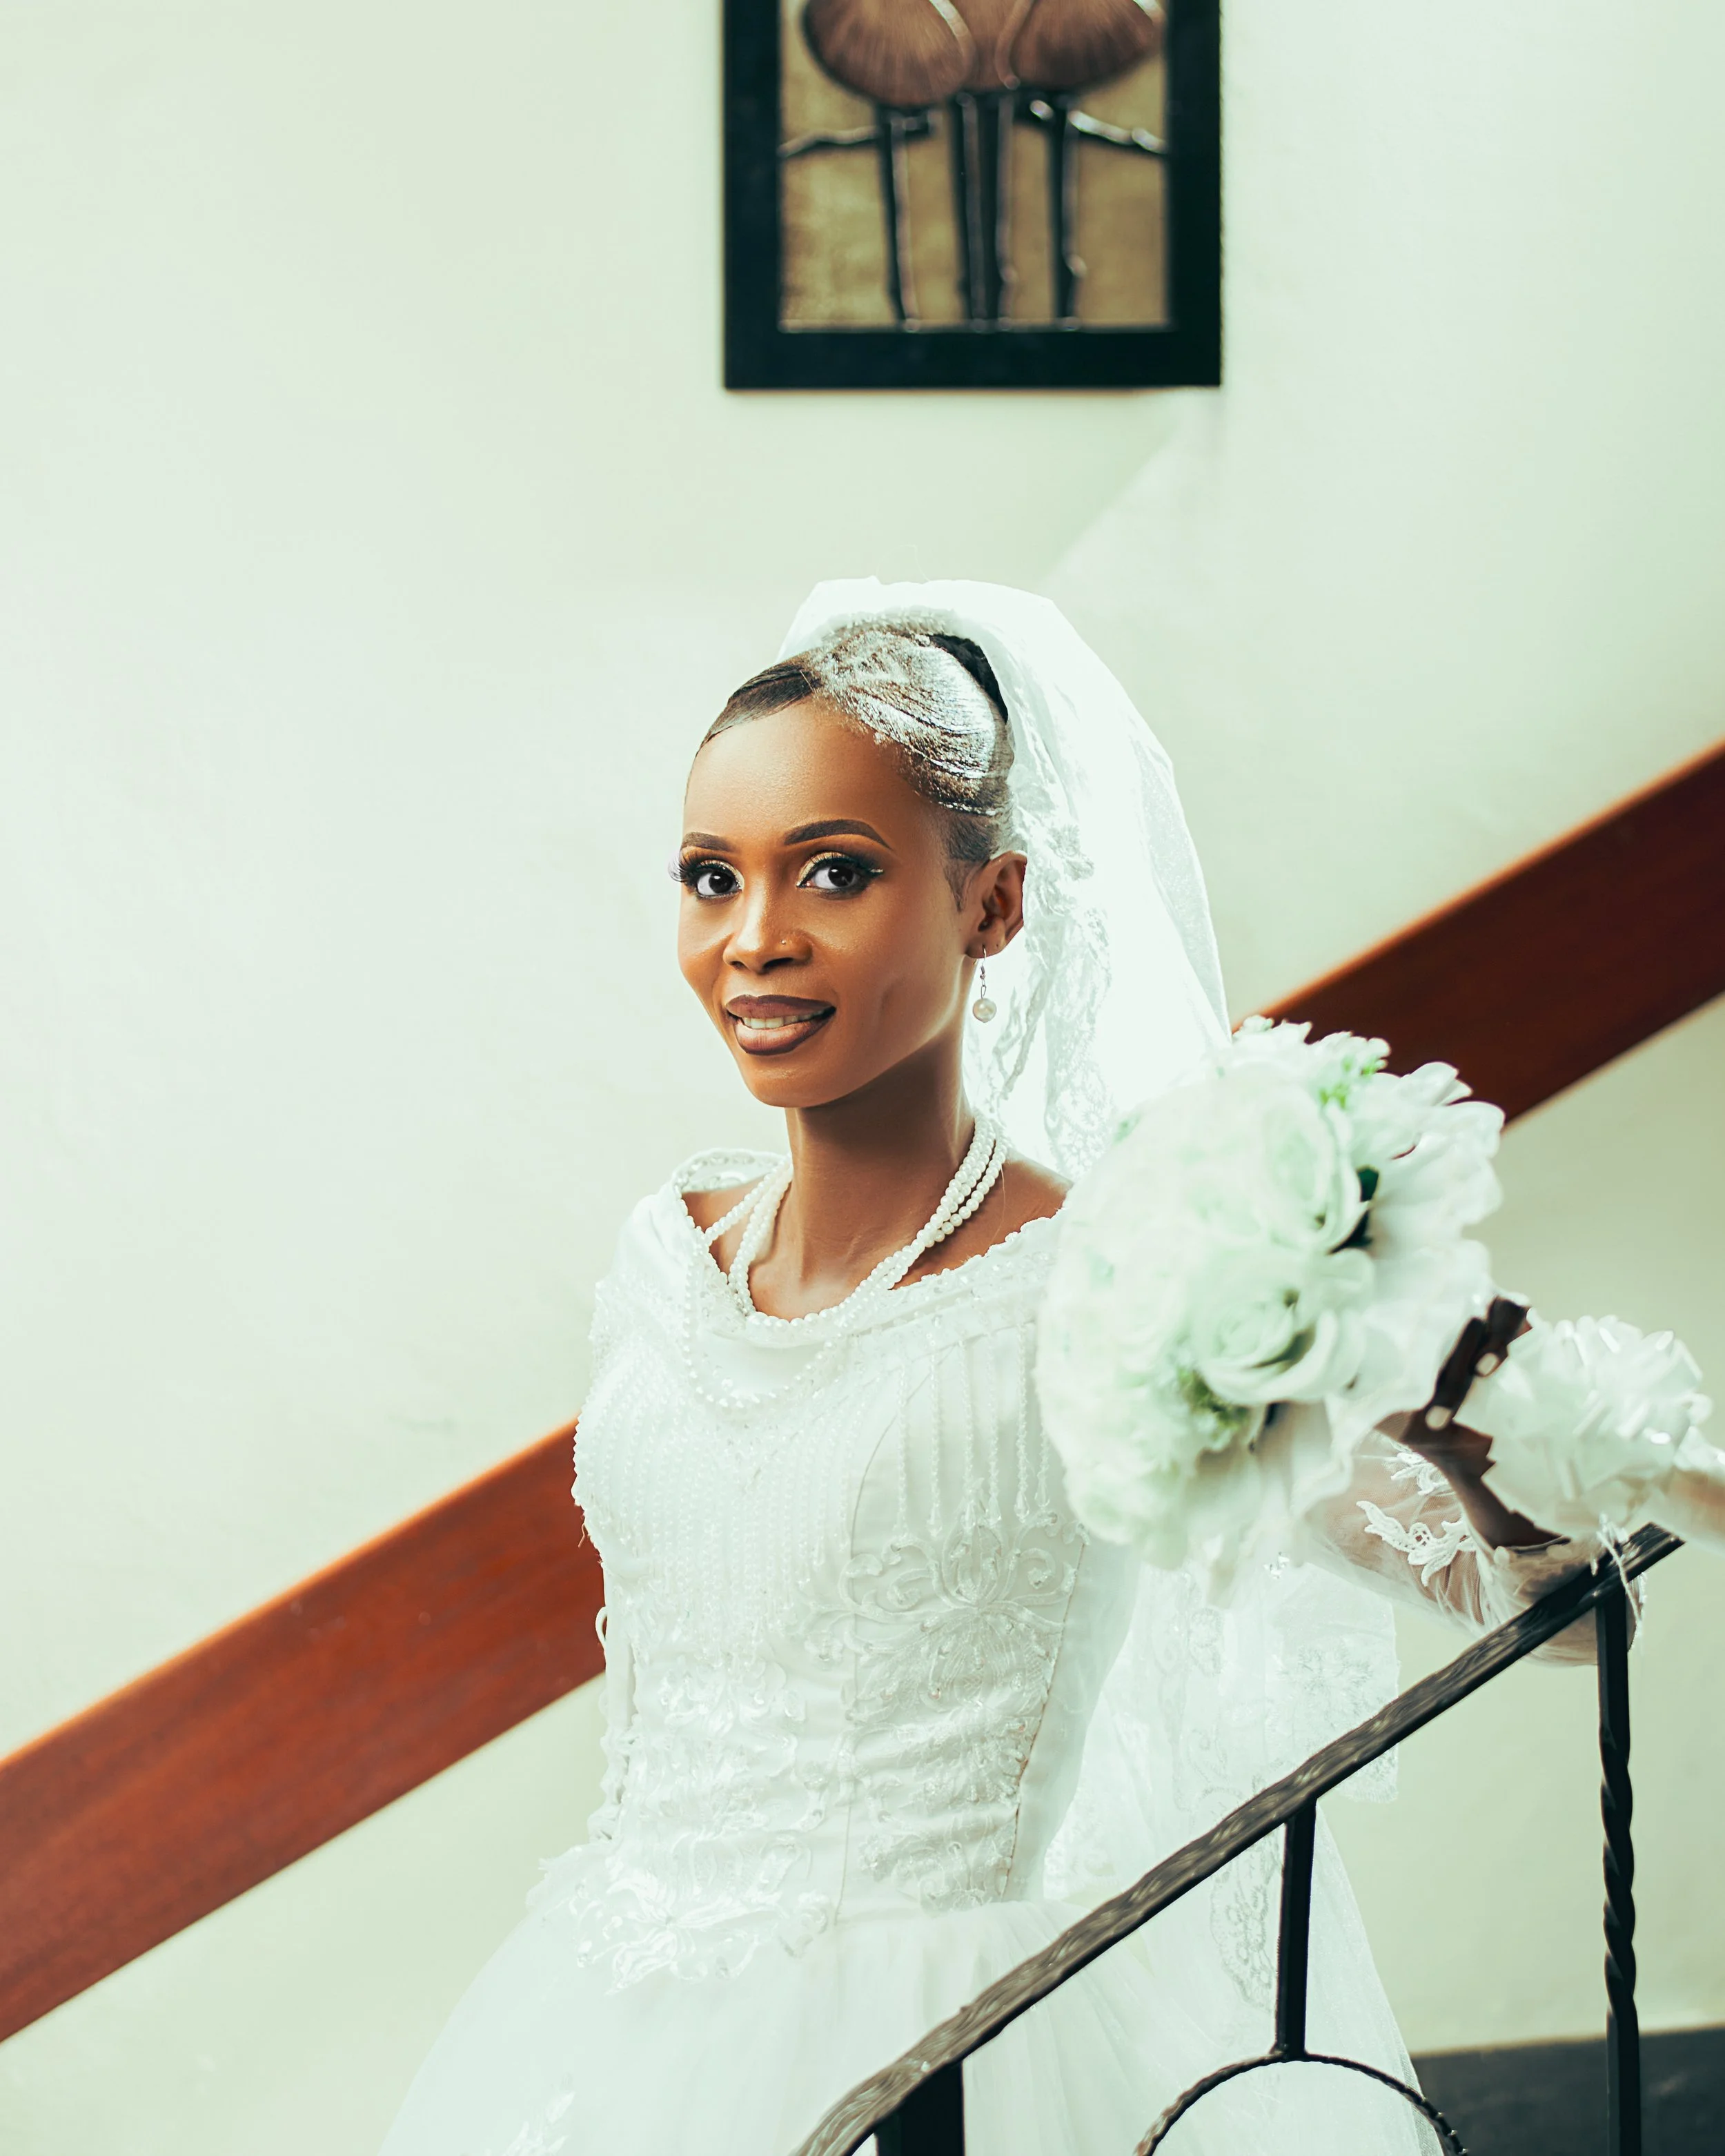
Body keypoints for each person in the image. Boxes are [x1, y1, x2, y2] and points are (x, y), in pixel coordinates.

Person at [379, 581, 1598, 2156]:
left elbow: (1541, 1611)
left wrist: (1436, 1405)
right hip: (600, 2020)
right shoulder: (657, 1260)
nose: (754, 939)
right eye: (708, 876)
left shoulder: (1123, 1278)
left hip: (955, 2051)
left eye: (835, 871)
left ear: (994, 902)